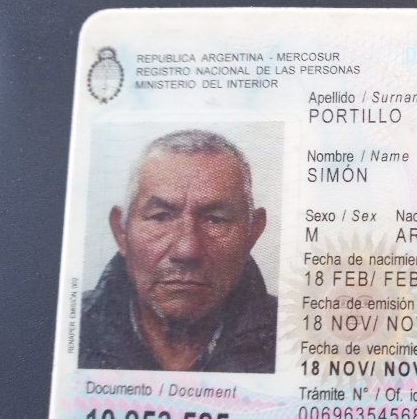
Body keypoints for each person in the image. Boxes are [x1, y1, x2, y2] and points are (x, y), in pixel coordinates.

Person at [79, 130, 278, 373]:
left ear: (252, 232)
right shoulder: (71, 327)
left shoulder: (294, 335)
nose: (187, 250)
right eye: (161, 217)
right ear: (121, 231)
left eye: (215, 220)